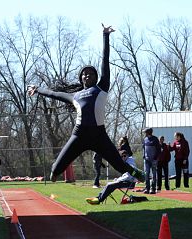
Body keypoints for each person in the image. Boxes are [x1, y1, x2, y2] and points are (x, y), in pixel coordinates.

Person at [27, 24, 144, 183]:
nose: (87, 75)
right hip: (79, 135)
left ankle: (140, 176)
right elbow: (54, 93)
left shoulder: (101, 88)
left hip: (99, 135)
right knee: (54, 172)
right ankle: (55, 172)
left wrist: (105, 36)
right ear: (81, 79)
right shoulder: (75, 96)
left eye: (90, 73)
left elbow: (105, 60)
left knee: (121, 166)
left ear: (96, 78)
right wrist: (37, 89)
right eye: (84, 74)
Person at [142, 128, 160, 194]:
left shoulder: (155, 139)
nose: (144, 134)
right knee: (146, 174)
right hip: (146, 160)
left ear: (148, 132)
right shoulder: (145, 139)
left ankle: (153, 189)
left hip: (153, 160)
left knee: (154, 175)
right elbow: (143, 148)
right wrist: (143, 156)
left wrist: (155, 158)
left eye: (145, 132)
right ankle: (147, 188)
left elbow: (158, 150)